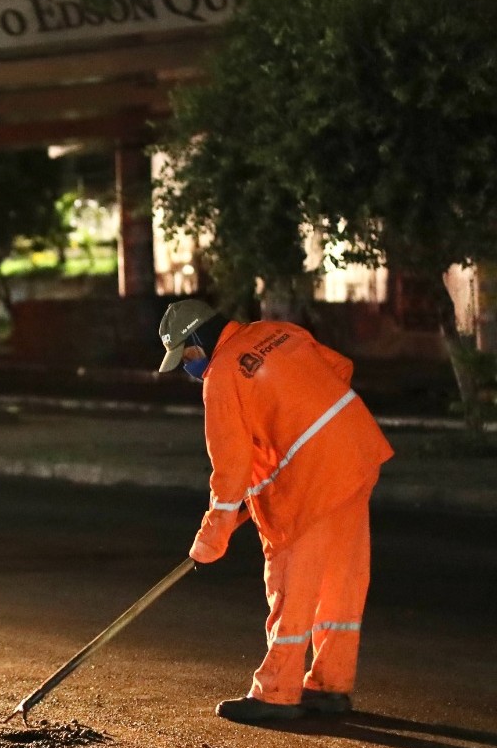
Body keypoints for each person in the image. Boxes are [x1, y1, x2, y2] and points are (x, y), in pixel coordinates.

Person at [157, 299, 393, 723]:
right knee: (342, 576)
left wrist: (210, 540)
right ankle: (329, 687)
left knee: (293, 583)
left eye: (187, 356)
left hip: (311, 482)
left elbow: (230, 473)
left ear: (197, 338)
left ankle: (277, 694)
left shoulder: (221, 376)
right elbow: (339, 368)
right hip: (356, 453)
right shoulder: (276, 330)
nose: (189, 368)